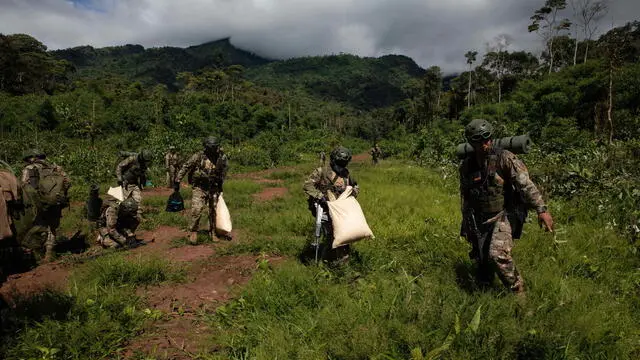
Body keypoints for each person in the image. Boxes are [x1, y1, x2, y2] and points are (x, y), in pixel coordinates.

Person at [459, 119, 553, 295]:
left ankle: (518, 291)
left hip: (505, 213)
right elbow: (466, 196)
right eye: (480, 140)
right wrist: (466, 223)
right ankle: (484, 286)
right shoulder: (467, 166)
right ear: (472, 142)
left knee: (497, 254)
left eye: (488, 138)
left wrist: (542, 210)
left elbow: (526, 185)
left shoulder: (504, 158)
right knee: (482, 257)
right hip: (480, 216)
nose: (485, 143)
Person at [303, 146, 359, 263]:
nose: (341, 165)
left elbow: (355, 187)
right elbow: (308, 185)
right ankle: (330, 261)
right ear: (333, 160)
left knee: (344, 234)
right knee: (332, 235)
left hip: (341, 209)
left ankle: (341, 259)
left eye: (344, 163)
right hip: (324, 208)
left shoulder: (346, 174)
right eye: (340, 162)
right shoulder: (322, 172)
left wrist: (353, 192)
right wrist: (320, 196)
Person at [175, 136, 228, 244]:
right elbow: (186, 167)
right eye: (211, 147)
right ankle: (194, 231)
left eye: (214, 147)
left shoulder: (221, 157)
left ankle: (212, 232)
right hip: (199, 187)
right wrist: (177, 180)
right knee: (197, 210)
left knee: (213, 211)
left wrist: (220, 186)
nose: (213, 149)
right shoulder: (198, 156)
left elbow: (223, 172)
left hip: (213, 187)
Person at [20, 149, 71, 262]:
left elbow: (23, 186)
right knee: (52, 227)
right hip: (54, 201)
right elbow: (67, 181)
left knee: (36, 226)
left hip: (37, 203)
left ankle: (36, 252)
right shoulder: (56, 167)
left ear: (31, 158)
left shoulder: (28, 169)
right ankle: (49, 253)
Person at [115, 149, 152, 220]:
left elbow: (142, 174)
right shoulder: (132, 159)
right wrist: (119, 178)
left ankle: (138, 216)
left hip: (135, 183)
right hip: (125, 182)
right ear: (141, 157)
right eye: (145, 161)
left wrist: (142, 184)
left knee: (138, 199)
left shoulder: (144, 163)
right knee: (120, 200)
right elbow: (119, 166)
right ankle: (114, 215)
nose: (146, 162)